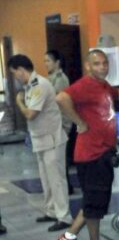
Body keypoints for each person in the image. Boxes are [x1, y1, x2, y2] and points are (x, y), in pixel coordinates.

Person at [54, 49, 119, 240]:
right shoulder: (85, 85)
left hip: (102, 152)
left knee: (96, 201)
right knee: (93, 201)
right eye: (97, 64)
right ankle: (69, 236)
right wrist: (79, 122)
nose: (102, 67)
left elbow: (116, 93)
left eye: (105, 63)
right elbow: (62, 98)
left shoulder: (102, 86)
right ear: (88, 66)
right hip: (91, 154)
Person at [8, 54, 72, 232]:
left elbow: (30, 114)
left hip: (52, 139)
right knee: (46, 179)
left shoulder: (39, 85)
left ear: (21, 70)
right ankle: (51, 211)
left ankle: (64, 216)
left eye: (15, 73)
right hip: (40, 139)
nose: (15, 77)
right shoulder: (30, 86)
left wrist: (19, 101)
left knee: (57, 180)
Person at [44, 49, 76, 194]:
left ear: (57, 62)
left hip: (62, 123)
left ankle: (66, 187)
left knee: (60, 159)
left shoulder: (60, 79)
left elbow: (56, 101)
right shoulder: (50, 78)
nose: (45, 64)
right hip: (54, 123)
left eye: (48, 61)